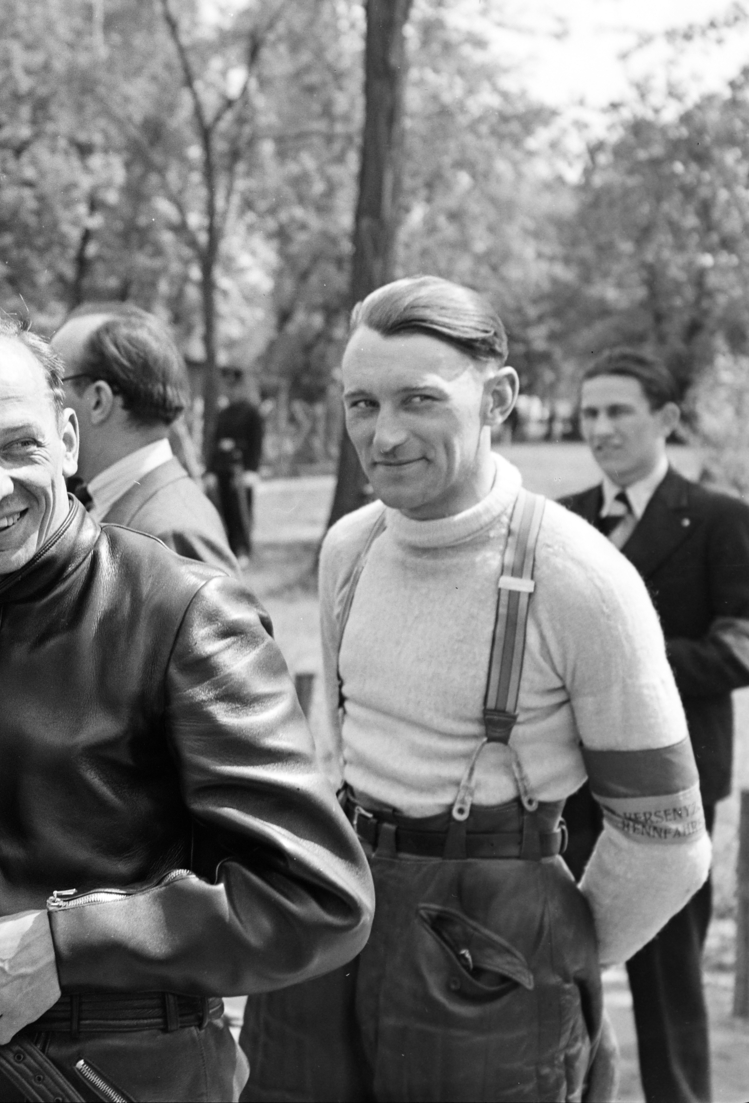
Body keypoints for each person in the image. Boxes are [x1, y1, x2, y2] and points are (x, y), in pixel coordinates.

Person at [0, 302, 372, 1103]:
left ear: (68, 438)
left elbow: (318, 895)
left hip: (127, 1078)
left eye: (19, 445)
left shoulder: (182, 610)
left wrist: (67, 942)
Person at [240, 276, 713, 1102]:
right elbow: (330, 752)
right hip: (332, 913)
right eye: (361, 404)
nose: (383, 435)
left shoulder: (581, 577)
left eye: (418, 400)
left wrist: (547, 951)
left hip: (490, 945)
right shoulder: (348, 548)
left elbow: (667, 837)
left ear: (498, 398)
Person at [560, 348, 749, 1103]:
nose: (600, 429)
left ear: (666, 419)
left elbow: (738, 648)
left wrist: (620, 658)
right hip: (563, 790)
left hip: (670, 792)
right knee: (557, 981)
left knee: (669, 988)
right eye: (589, 414)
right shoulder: (558, 519)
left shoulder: (721, 521)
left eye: (618, 412)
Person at [50, 303, 238, 570]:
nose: (45, 403)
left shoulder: (170, 530)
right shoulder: (132, 505)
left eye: (54, 385)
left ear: (98, 401)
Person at [210, 366, 264, 563]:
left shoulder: (251, 412)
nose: (231, 391)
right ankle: (231, 549)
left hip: (241, 469)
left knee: (241, 509)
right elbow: (214, 443)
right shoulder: (223, 413)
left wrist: (252, 470)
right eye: (228, 387)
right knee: (225, 510)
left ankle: (243, 549)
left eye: (235, 387)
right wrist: (211, 470)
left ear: (241, 388)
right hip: (223, 468)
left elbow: (256, 443)